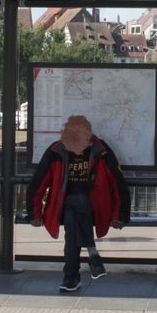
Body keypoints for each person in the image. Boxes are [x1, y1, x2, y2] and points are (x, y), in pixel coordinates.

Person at [26, 115, 130, 293]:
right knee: (76, 203)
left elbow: (118, 183)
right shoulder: (56, 151)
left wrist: (120, 214)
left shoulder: (101, 150)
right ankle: (92, 252)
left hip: (93, 207)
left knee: (73, 218)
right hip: (62, 206)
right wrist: (33, 212)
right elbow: (39, 182)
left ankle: (71, 277)